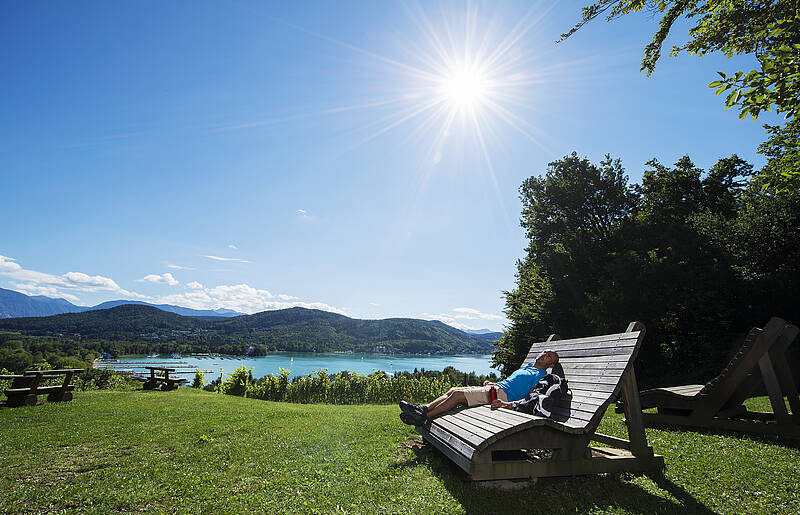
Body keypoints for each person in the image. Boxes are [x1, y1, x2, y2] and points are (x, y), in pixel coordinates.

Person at [399, 350, 559, 425]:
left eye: (549, 356)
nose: (544, 354)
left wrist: (508, 405)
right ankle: (423, 408)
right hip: (496, 389)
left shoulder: (541, 376)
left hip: (502, 396)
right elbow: (511, 381)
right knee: (453, 390)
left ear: (550, 364)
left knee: (457, 397)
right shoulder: (528, 367)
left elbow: (531, 397)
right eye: (545, 352)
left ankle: (423, 418)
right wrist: (493, 384)